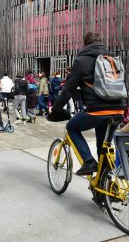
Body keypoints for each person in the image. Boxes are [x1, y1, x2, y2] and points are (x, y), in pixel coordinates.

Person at [51, 32, 125, 175]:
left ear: (85, 44)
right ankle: (105, 186)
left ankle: (89, 162)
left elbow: (68, 89)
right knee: (103, 148)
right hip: (119, 110)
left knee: (71, 127)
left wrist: (56, 109)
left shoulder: (82, 60)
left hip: (97, 110)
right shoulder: (112, 59)